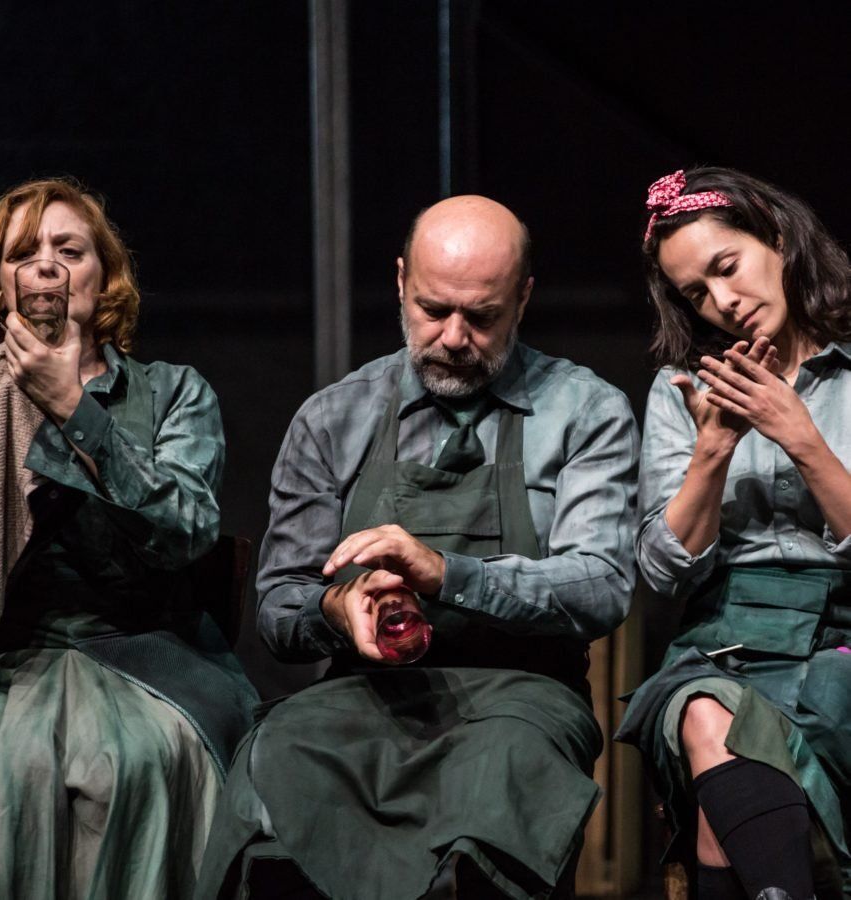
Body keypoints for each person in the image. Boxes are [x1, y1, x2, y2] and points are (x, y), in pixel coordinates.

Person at [197, 195, 639, 899]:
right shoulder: (333, 418)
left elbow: (600, 586)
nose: (454, 337)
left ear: (523, 298)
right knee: (274, 762)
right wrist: (338, 609)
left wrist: (446, 573)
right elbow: (281, 605)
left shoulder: (584, 411)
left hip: (522, 698)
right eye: (434, 310)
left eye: (482, 316)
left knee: (494, 803)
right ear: (401, 281)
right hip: (365, 694)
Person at [0, 178, 258, 899]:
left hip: (146, 651)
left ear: (104, 276)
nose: (46, 267)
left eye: (69, 250)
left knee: (137, 760)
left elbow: (187, 529)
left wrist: (72, 409)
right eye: (23, 254)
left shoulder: (173, 393)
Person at [615, 168, 851, 900]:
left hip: (840, 636)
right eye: (696, 293)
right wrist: (713, 450)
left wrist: (801, 438)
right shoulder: (682, 390)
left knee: (724, 807)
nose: (723, 301)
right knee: (704, 709)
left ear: (776, 238)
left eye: (728, 266)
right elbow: (662, 572)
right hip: (730, 639)